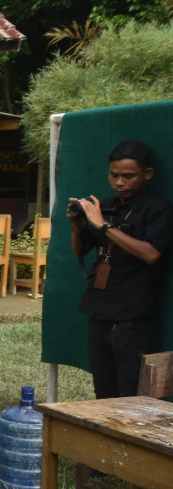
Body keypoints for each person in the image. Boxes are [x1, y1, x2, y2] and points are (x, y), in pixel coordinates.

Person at [69, 140, 170, 399]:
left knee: (129, 393)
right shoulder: (105, 205)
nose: (119, 182)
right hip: (100, 309)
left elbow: (151, 253)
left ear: (147, 174)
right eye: (114, 175)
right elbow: (81, 251)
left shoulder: (157, 208)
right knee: (103, 389)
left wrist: (103, 226)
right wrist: (79, 226)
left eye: (128, 176)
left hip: (132, 316)